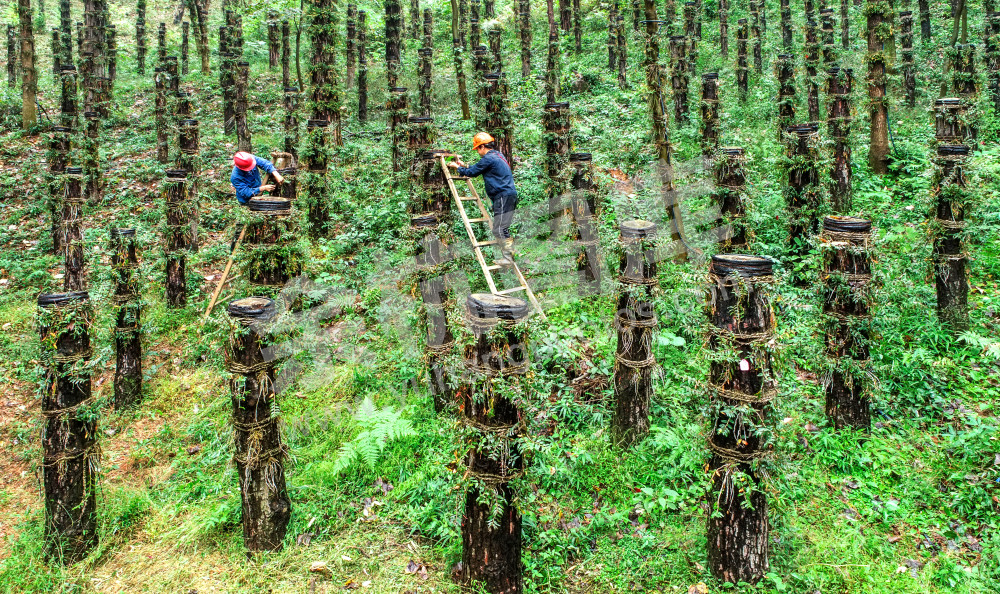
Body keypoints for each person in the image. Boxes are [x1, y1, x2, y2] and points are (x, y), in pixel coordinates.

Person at [448, 132, 518, 266]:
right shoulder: (498, 155)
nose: (478, 152)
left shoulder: (488, 158)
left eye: (477, 149)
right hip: (508, 195)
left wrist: (457, 167)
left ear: (482, 147)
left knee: (499, 228)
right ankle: (509, 255)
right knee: (502, 227)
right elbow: (477, 168)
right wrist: (464, 166)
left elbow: (472, 173)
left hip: (502, 196)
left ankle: (509, 257)